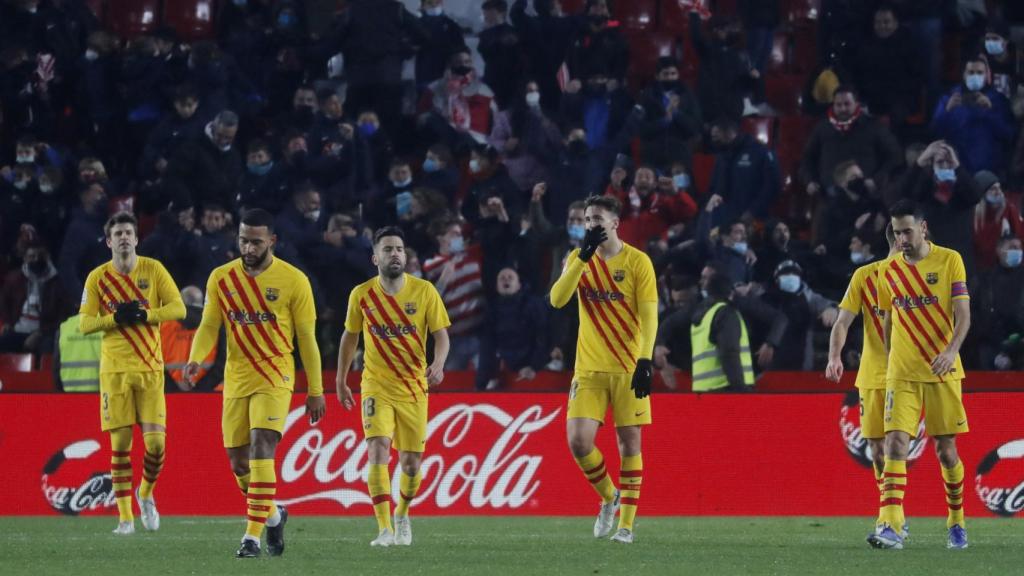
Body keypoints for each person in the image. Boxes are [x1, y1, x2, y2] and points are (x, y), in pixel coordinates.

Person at [183, 209, 326, 558]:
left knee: (262, 446)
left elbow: (307, 338)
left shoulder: (294, 280)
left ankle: (251, 537)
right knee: (239, 464)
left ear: (272, 241)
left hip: (276, 376)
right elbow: (208, 324)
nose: (248, 247)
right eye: (244, 240)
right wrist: (196, 357)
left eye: (256, 241)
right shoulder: (221, 278)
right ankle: (275, 516)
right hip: (236, 379)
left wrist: (315, 390)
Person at [549, 195, 658, 544]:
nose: (590, 224)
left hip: (628, 367)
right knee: (578, 442)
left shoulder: (638, 262)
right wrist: (581, 257)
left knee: (629, 444)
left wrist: (645, 359)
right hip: (589, 369)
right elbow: (557, 299)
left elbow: (649, 315)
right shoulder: (578, 259)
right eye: (586, 219)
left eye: (597, 218)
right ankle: (609, 495)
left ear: (614, 223)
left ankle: (626, 525)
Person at [335, 226, 451, 547]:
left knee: (411, 464)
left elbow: (441, 335)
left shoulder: (425, 291)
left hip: (414, 387)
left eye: (399, 249)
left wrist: (438, 363)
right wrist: (341, 379)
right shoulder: (361, 295)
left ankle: (402, 513)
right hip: (375, 385)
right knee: (377, 449)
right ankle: (384, 528)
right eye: (388, 249)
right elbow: (350, 337)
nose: (395, 254)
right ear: (375, 257)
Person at [867, 200, 971, 551]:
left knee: (946, 452)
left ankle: (956, 520)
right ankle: (891, 525)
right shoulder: (888, 269)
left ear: (923, 228)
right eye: (897, 233)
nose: (902, 239)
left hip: (943, 369)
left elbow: (964, 316)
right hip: (902, 373)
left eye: (907, 231)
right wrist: (888, 359)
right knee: (895, 443)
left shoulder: (949, 260)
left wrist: (951, 351)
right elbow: (886, 317)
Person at [78, 212, 186, 535]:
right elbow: (84, 323)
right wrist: (114, 319)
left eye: (129, 232)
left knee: (155, 445)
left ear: (136, 239)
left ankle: (146, 494)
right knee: (121, 444)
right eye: (118, 234)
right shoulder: (97, 278)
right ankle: (125, 519)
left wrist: (145, 314)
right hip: (115, 372)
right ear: (108, 241)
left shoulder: (153, 270)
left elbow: (179, 308)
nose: (124, 237)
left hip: (151, 368)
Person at [826, 224, 899, 516]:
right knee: (878, 451)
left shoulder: (924, 277)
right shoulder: (866, 276)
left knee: (897, 444)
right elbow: (842, 321)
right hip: (873, 373)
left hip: (908, 374)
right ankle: (890, 509)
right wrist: (834, 356)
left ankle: (893, 516)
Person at [689, 270, 754, 392]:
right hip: (725, 390)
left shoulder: (702, 316)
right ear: (730, 292)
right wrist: (741, 390)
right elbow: (729, 353)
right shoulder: (725, 313)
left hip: (702, 391)